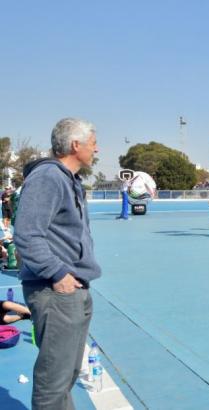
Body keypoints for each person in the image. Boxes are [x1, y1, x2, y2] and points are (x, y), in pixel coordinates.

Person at [14, 117, 101, 409]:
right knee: (54, 380)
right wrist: (58, 274)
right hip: (56, 291)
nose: (97, 148)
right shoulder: (48, 178)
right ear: (76, 145)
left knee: (66, 376)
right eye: (93, 142)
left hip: (71, 290)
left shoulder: (67, 180)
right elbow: (27, 235)